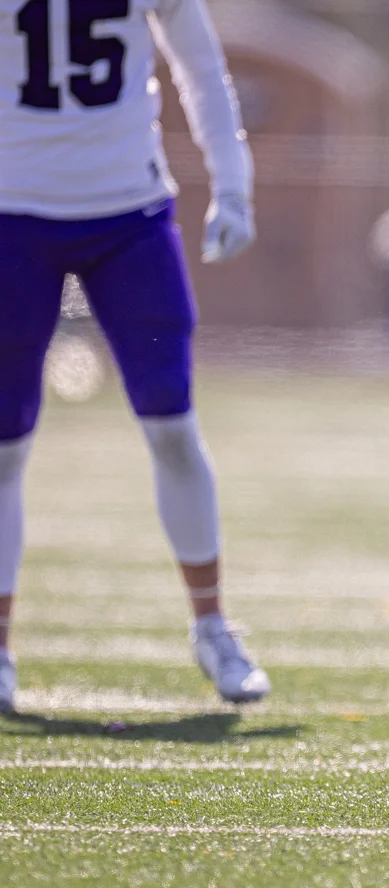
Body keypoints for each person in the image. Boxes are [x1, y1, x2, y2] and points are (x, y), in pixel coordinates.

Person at [0, 0, 266, 712]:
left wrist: (232, 184)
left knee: (173, 424)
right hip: (11, 214)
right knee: (4, 446)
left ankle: (212, 625)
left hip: (128, 213)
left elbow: (201, 68)